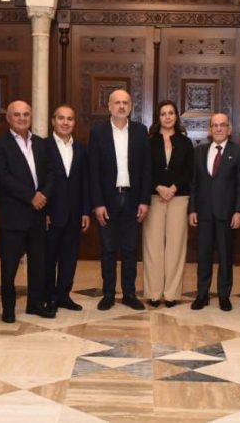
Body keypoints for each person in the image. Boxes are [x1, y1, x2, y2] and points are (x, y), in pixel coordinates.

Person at [89, 89, 152, 311]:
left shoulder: (140, 131)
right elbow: (93, 171)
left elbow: (146, 169)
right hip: (107, 200)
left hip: (133, 199)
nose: (122, 106)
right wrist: (97, 203)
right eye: (117, 102)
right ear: (109, 106)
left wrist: (145, 200)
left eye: (125, 102)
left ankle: (129, 294)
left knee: (129, 249)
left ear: (131, 106)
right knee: (108, 249)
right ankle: (108, 294)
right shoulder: (98, 132)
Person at [0, 101, 52, 322]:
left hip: (38, 213)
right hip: (14, 215)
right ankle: (8, 309)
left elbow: (50, 173)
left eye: (26, 114)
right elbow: (3, 177)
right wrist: (31, 196)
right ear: (8, 118)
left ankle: (35, 304)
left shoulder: (41, 143)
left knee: (38, 263)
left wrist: (43, 195)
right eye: (16, 115)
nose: (22, 118)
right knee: (9, 266)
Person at [189, 113, 240, 311]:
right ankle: (202, 295)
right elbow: (194, 183)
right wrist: (192, 209)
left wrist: (239, 211)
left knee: (226, 256)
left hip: (227, 214)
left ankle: (224, 295)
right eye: (215, 125)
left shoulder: (239, 151)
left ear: (229, 129)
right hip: (204, 213)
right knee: (203, 256)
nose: (219, 129)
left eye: (223, 125)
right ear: (210, 130)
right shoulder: (199, 151)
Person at [142, 100, 194, 308]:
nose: (167, 117)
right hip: (154, 198)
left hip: (178, 198)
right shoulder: (149, 141)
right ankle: (154, 293)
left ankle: (171, 294)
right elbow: (144, 169)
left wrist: (173, 187)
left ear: (176, 116)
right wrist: (158, 187)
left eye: (171, 113)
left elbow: (190, 171)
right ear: (158, 117)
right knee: (152, 246)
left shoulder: (185, 142)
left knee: (176, 247)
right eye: (163, 113)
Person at [44, 105, 90, 312]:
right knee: (49, 257)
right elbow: (39, 181)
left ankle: (64, 295)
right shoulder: (43, 146)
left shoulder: (80, 149)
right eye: (61, 118)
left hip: (74, 212)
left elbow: (85, 181)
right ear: (53, 121)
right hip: (51, 213)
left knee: (69, 257)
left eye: (69, 119)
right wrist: (43, 211)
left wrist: (85, 211)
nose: (65, 122)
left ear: (74, 123)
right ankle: (49, 297)